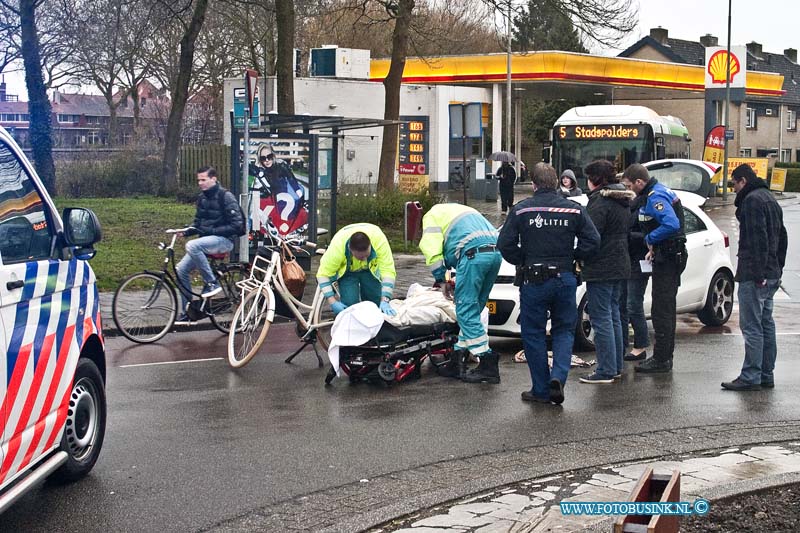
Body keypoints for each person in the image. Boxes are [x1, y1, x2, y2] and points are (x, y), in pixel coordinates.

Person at [498, 163, 600, 404]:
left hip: (533, 279)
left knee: (533, 333)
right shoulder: (573, 210)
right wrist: (576, 256)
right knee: (564, 330)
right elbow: (593, 240)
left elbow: (505, 244)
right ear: (556, 183)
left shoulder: (521, 210)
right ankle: (558, 377)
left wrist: (522, 259)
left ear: (533, 184)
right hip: (564, 277)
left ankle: (541, 389)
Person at [721, 164, 788, 391]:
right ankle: (765, 374)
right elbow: (782, 237)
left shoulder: (751, 201)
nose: (734, 189)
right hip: (771, 272)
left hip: (755, 273)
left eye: (735, 184)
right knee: (766, 324)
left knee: (752, 326)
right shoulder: (769, 198)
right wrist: (777, 268)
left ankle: (751, 376)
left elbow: (757, 240)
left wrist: (758, 273)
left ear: (742, 181)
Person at [420, 204, 502, 383]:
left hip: (473, 256)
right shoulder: (462, 210)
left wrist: (441, 279)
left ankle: (487, 361)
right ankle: (457, 359)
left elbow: (432, 252)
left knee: (464, 309)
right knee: (474, 308)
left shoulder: (431, 216)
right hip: (495, 254)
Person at [622, 164, 686, 373]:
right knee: (663, 309)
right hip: (666, 254)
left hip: (668, 257)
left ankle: (662, 360)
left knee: (662, 310)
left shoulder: (655, 197)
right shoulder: (658, 191)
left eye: (630, 185)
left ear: (639, 182)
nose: (630, 189)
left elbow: (671, 224)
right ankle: (663, 357)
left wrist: (650, 238)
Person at [579, 160, 634, 384]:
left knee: (601, 319)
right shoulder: (622, 200)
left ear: (596, 179)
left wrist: (579, 255)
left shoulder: (600, 202)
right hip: (620, 263)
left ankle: (606, 370)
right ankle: (616, 366)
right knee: (613, 316)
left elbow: (591, 235)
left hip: (602, 265)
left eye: (589, 178)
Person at [175, 166, 245, 323]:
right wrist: (185, 232)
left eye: (203, 179)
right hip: (206, 242)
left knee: (192, 246)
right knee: (181, 270)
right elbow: (198, 223)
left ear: (214, 179)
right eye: (198, 180)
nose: (200, 183)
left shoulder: (226, 197)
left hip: (224, 241)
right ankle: (188, 312)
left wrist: (213, 230)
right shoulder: (202, 198)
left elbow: (237, 225)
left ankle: (212, 283)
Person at [316, 223, 397, 317]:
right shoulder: (337, 248)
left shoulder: (379, 241)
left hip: (370, 271)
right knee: (350, 306)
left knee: (374, 304)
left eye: (366, 256)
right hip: (348, 272)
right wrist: (332, 301)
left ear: (370, 245)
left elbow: (388, 271)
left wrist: (385, 299)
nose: (364, 260)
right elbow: (323, 274)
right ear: (350, 249)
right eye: (360, 257)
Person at [620, 174, 651, 363]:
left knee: (633, 304)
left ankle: (641, 345)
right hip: (627, 259)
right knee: (622, 303)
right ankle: (623, 344)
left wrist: (630, 236)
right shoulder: (629, 206)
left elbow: (648, 232)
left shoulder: (644, 204)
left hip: (639, 260)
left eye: (628, 185)